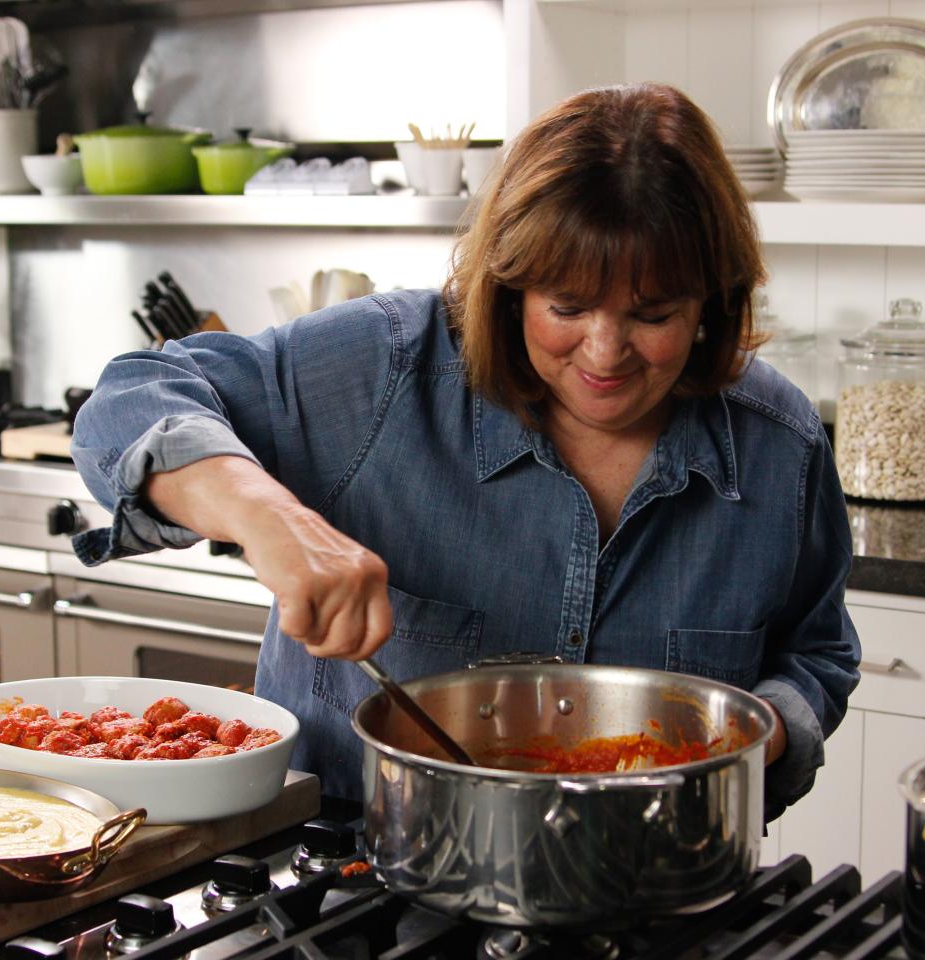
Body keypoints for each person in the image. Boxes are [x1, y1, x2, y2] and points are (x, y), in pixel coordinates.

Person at [71, 82, 860, 821]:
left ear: (712, 305)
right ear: (510, 285)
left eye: (652, 314)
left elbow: (814, 655)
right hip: (350, 885)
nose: (606, 350)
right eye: (568, 306)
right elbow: (133, 396)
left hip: (648, 886)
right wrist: (265, 514)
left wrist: (758, 741)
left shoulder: (778, 446)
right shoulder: (385, 368)